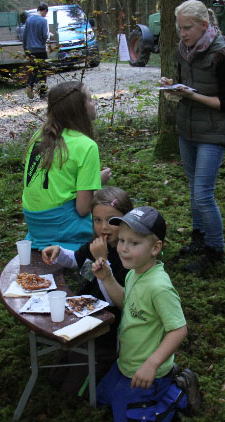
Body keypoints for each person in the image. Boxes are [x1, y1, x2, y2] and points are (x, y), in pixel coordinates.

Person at [92, 206, 201, 422]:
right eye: (122, 240)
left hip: (147, 368)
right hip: (126, 362)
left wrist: (151, 364)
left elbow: (178, 329)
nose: (124, 248)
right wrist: (107, 278)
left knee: (128, 418)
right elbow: (127, 303)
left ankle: (177, 393)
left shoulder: (159, 287)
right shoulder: (134, 273)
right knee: (101, 397)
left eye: (134, 243)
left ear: (155, 248)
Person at [160, 0, 225, 275]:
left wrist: (192, 95)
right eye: (180, 28)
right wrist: (174, 87)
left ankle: (215, 250)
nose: (182, 34)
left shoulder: (222, 54)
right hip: (187, 128)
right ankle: (199, 237)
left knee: (203, 193)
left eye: (187, 28)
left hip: (212, 132)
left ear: (204, 25)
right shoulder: (184, 50)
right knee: (194, 188)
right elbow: (188, 85)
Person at [41, 187, 133, 394]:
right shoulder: (97, 243)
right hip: (83, 314)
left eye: (111, 221)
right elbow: (77, 259)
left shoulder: (127, 256)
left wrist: (103, 261)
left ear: (126, 221)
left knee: (73, 389)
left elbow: (116, 302)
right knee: (56, 376)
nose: (103, 227)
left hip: (107, 328)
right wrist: (59, 252)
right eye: (97, 220)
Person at [22, 81, 112, 251]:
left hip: (34, 225)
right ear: (78, 109)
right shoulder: (86, 146)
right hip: (63, 228)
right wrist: (96, 181)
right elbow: (83, 209)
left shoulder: (38, 136)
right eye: (90, 99)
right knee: (115, 216)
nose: (94, 103)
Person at [23, 3, 49, 99]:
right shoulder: (43, 20)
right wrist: (47, 38)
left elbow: (25, 35)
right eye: (46, 13)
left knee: (33, 69)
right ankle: (42, 92)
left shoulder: (29, 20)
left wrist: (25, 49)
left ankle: (29, 85)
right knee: (43, 71)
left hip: (30, 49)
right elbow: (45, 36)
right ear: (45, 11)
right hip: (40, 49)